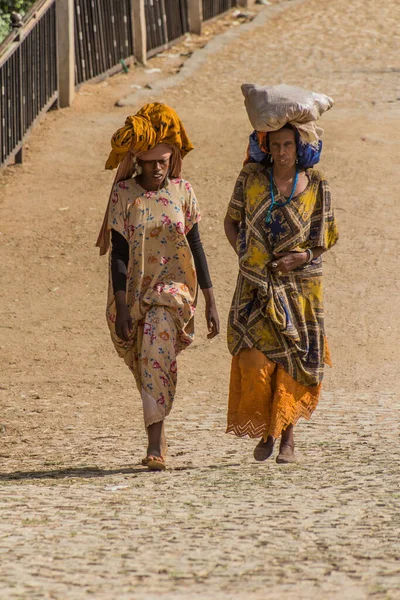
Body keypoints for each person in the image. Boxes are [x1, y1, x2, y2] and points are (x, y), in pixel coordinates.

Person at [97, 103, 219, 471]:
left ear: (173, 159)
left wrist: (211, 300)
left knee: (154, 351)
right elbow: (118, 254)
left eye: (163, 160)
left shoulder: (183, 192)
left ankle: (154, 444)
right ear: (137, 161)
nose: (156, 167)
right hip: (134, 294)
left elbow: (195, 245)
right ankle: (159, 429)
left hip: (174, 293)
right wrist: (120, 305)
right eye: (149, 161)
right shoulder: (124, 196)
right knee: (143, 361)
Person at [224, 122, 338, 464]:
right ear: (267, 146)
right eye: (275, 145)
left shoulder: (317, 184)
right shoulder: (250, 181)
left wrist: (301, 257)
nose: (282, 152)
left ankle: (287, 438)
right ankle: (266, 431)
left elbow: (327, 236)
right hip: (256, 286)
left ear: (298, 147)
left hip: (301, 288)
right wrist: (245, 255)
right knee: (257, 360)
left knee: (293, 363)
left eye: (288, 144)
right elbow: (231, 221)